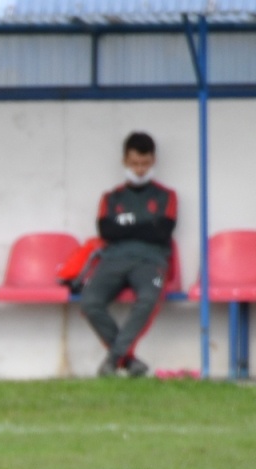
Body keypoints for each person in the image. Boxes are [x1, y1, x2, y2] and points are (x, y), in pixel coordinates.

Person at [81, 132, 176, 378]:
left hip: (152, 262)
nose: (140, 169)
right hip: (113, 259)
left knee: (148, 299)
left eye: (145, 163)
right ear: (125, 161)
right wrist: (145, 226)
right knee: (89, 302)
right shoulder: (110, 198)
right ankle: (129, 361)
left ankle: (114, 360)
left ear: (153, 161)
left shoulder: (167, 196)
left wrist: (125, 226)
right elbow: (106, 231)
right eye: (134, 163)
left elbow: (162, 232)